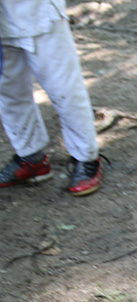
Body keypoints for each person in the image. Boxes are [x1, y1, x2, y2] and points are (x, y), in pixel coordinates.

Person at [0, 0, 102, 196]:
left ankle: (86, 157)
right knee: (8, 90)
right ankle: (31, 157)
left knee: (63, 87)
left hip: (37, 11)